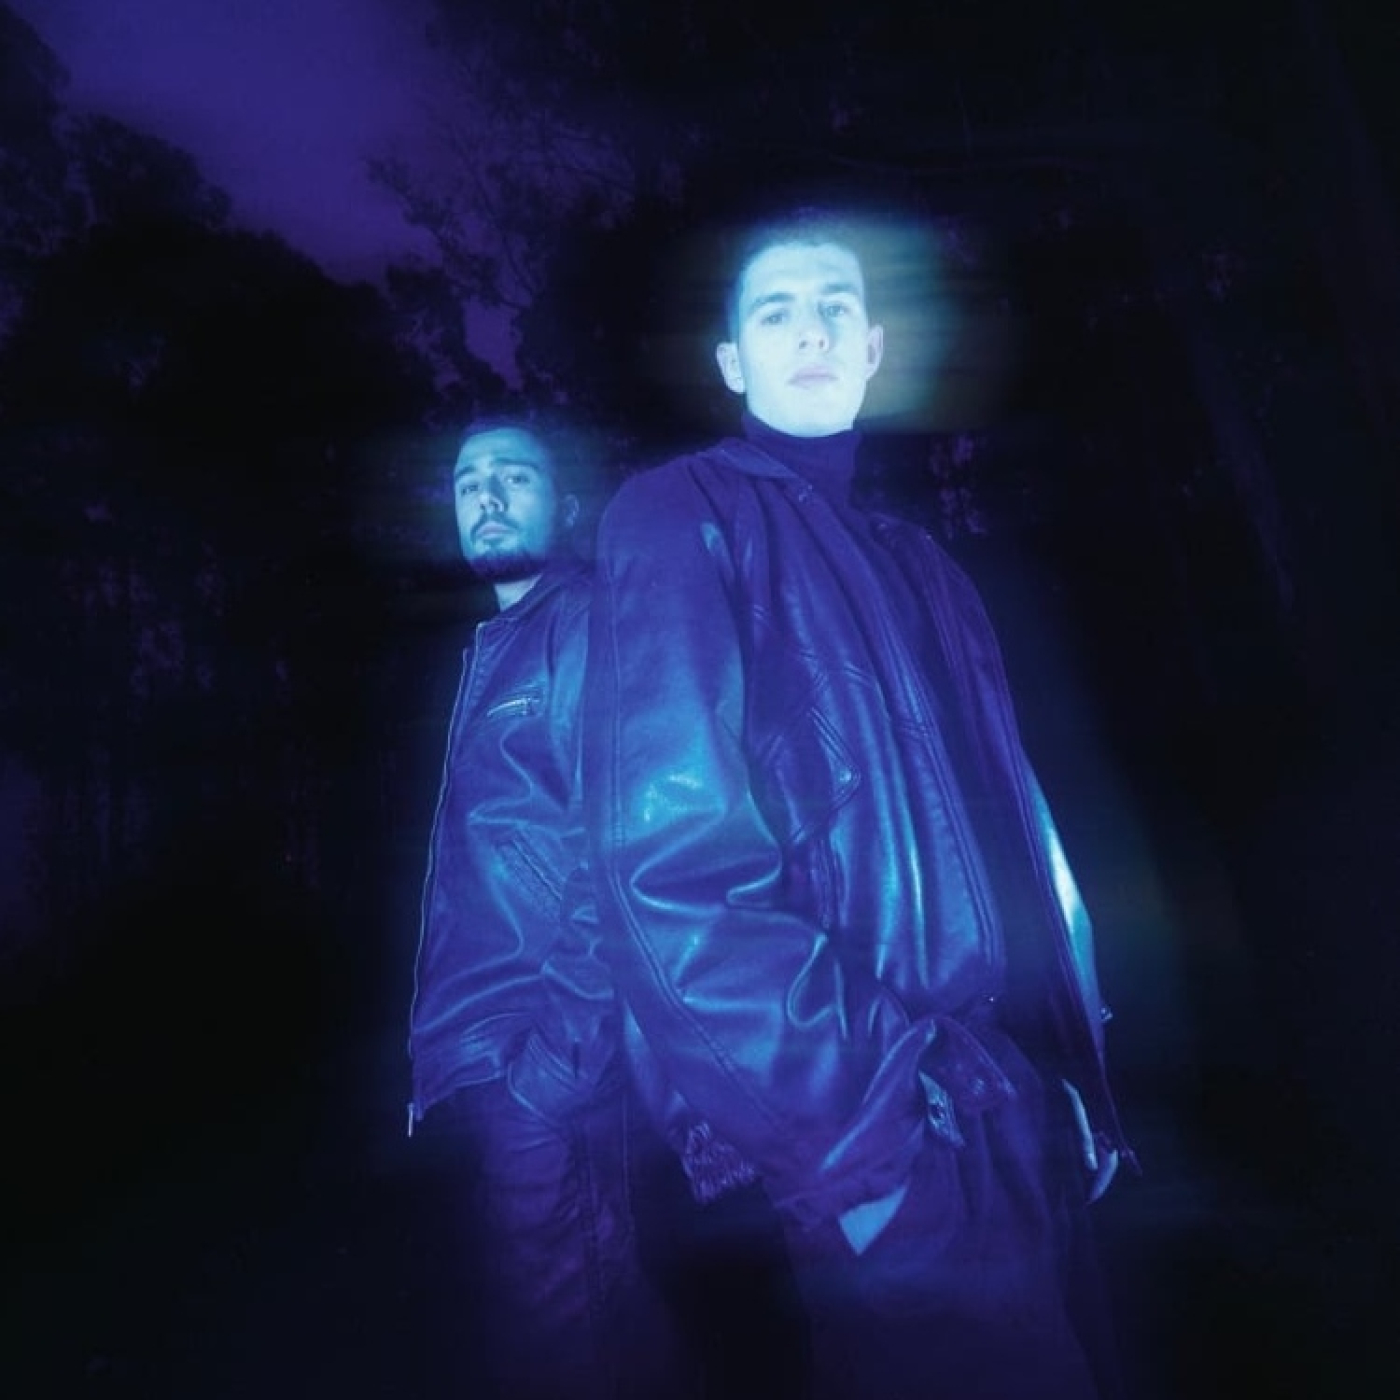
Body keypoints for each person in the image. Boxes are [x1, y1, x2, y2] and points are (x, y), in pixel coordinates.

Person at [580, 209, 1135, 1400]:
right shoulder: (677, 516)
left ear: (875, 350)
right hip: (893, 1125)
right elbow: (663, 873)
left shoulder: (925, 565)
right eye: (774, 311)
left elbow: (1008, 841)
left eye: (836, 307)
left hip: (1021, 1102)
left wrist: (1072, 1082)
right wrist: (866, 1150)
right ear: (731, 362)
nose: (811, 331)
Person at [405, 418, 674, 1400]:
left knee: (571, 1350)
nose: (485, 494)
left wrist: (555, 1063)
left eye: (513, 476)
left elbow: (624, 843)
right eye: (467, 479)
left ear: (562, 506)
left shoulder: (585, 622)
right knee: (574, 1333)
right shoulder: (494, 648)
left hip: (546, 1058)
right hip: (490, 1060)